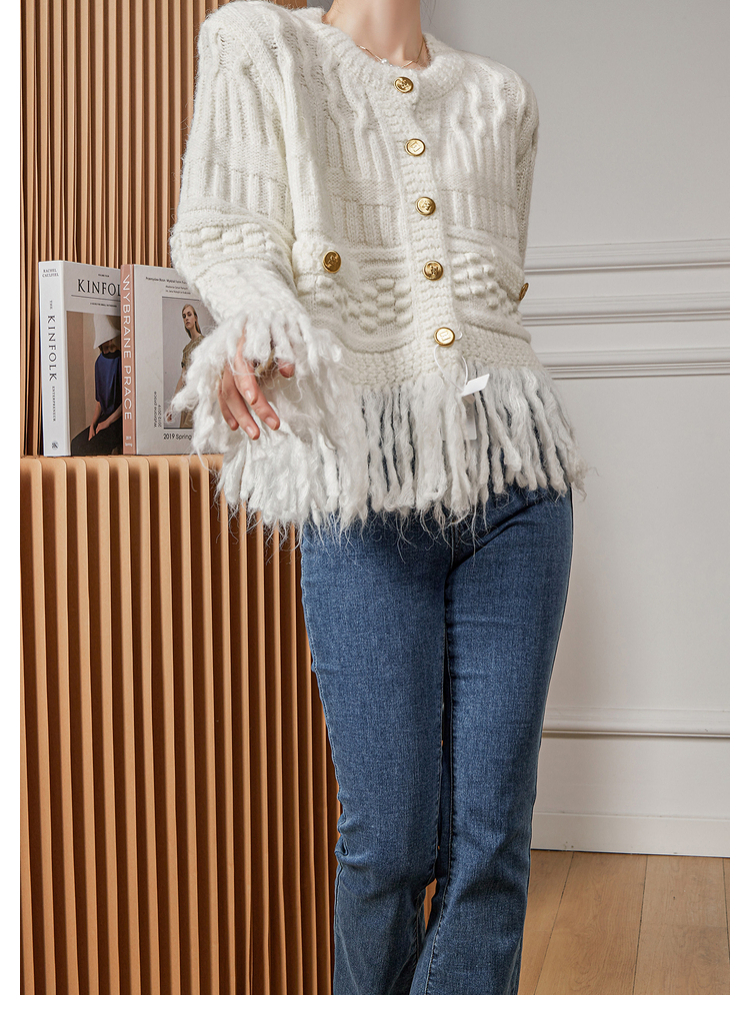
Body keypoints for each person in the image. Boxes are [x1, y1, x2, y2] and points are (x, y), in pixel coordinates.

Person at [168, 0, 589, 995]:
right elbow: (227, 233)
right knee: (390, 844)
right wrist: (262, 326)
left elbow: (489, 298)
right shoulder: (260, 44)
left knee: (492, 842)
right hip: (360, 482)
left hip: (517, 479)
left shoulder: (501, 98)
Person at [165, 303, 205, 429]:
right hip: (187, 399)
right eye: (184, 316)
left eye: (189, 314)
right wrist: (171, 406)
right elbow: (182, 378)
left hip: (200, 399)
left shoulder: (204, 342)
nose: (186, 318)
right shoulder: (186, 349)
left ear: (195, 318)